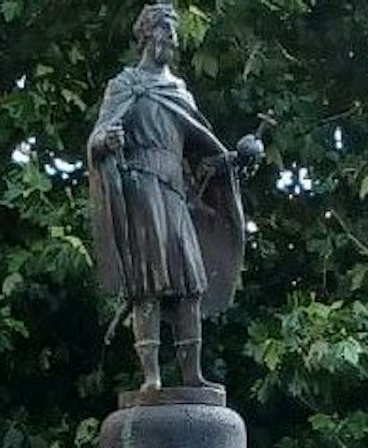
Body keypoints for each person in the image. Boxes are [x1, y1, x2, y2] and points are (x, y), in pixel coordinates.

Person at [88, 3, 263, 391]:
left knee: (189, 285)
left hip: (174, 192)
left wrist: (235, 160)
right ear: (147, 34)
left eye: (175, 32)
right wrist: (105, 141)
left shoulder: (179, 91)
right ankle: (151, 376)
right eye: (166, 30)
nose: (173, 39)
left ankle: (191, 375)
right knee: (147, 284)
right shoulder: (125, 85)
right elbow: (99, 137)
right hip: (141, 190)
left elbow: (203, 150)